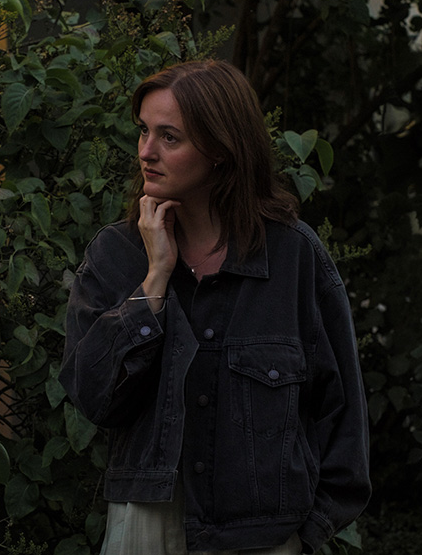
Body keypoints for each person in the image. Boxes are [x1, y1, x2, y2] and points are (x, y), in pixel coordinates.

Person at [59, 60, 370, 554]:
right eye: (143, 131)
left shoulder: (292, 258)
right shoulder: (116, 255)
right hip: (146, 528)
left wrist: (306, 536)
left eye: (169, 137)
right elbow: (93, 397)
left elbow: (342, 413)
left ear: (221, 150)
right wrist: (155, 280)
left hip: (263, 536)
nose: (146, 151)